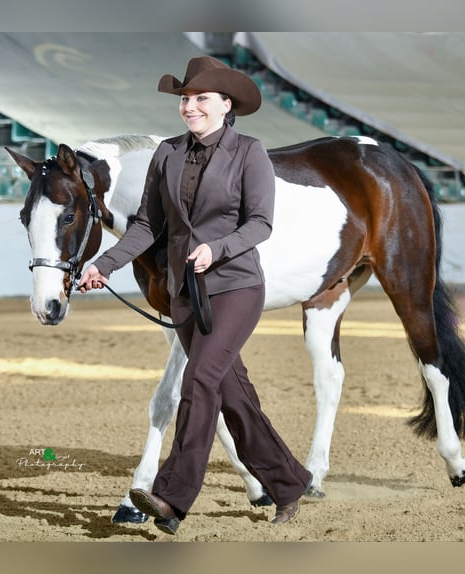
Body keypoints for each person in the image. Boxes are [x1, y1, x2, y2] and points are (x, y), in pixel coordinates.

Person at [78, 55, 311, 535]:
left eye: (201, 98)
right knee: (234, 397)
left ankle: (170, 496)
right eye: (185, 99)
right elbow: (148, 226)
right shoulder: (166, 153)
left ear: (226, 104)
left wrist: (217, 248)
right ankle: (289, 485)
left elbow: (260, 224)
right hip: (185, 294)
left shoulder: (250, 152)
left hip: (235, 287)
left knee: (199, 380)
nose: (190, 107)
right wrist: (103, 264)